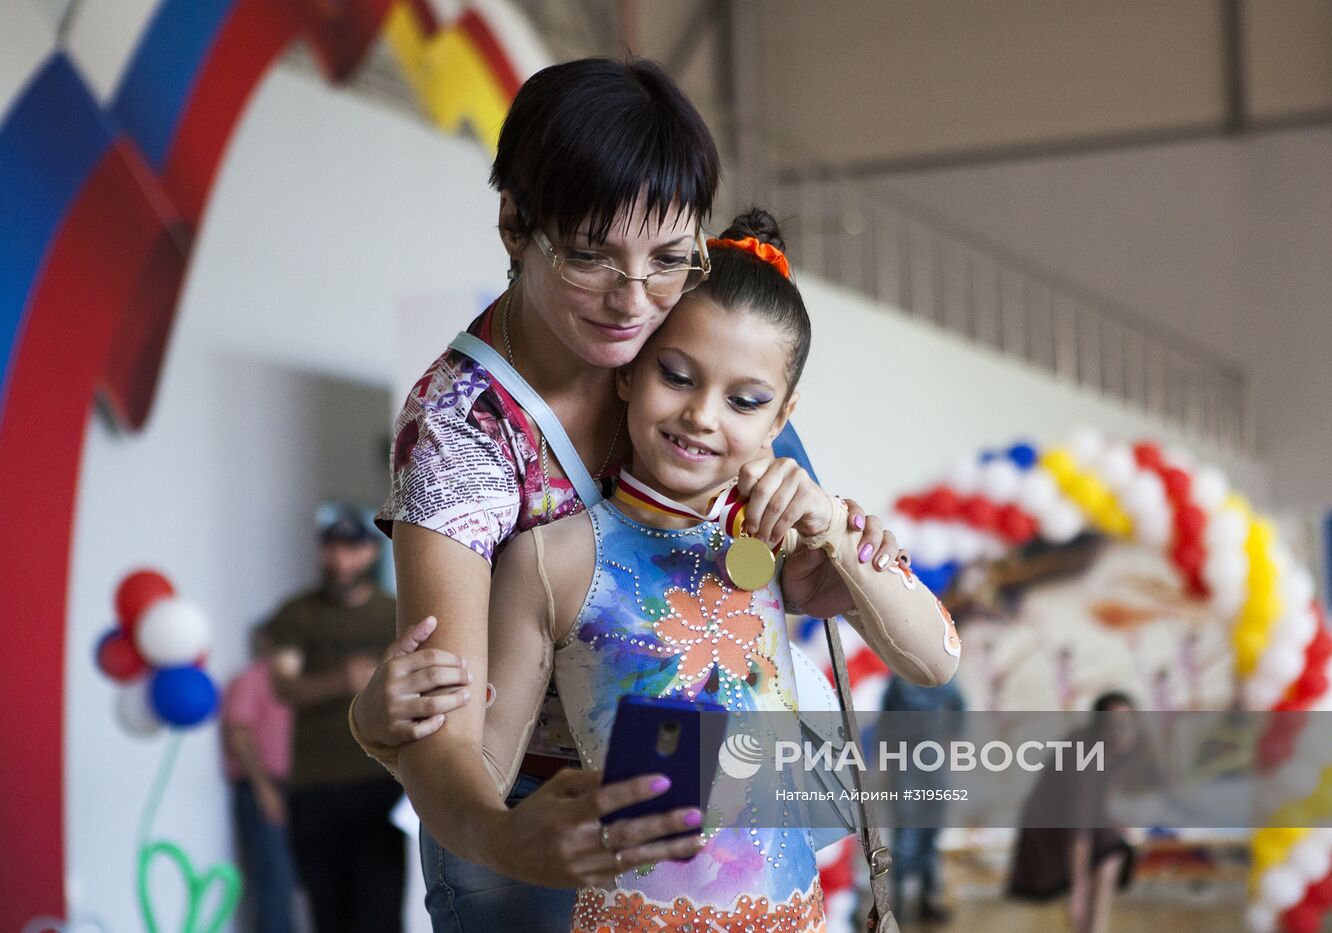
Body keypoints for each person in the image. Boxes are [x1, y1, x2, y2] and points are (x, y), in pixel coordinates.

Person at [347, 57, 902, 931]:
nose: (633, 299)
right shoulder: (460, 427)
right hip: (538, 815)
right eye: (591, 254)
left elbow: (804, 580)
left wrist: (850, 553)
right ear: (515, 225)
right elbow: (446, 726)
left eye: (669, 259)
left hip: (715, 822)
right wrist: (496, 834)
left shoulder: (696, 342)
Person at [266, 508, 402, 933]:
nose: (341, 559)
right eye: (332, 547)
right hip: (314, 787)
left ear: (370, 553)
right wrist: (342, 678)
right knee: (328, 915)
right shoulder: (296, 615)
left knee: (380, 914)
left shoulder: (395, 612)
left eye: (352, 548)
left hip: (381, 783)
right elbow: (284, 688)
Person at [1007, 691, 1141, 933]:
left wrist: (1110, 820)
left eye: (1126, 725)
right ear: (1098, 727)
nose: (1120, 733)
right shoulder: (1083, 758)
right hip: (1047, 825)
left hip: (1075, 823)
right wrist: (1077, 890)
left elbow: (1102, 796)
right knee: (1109, 854)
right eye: (1112, 726)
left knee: (1111, 851)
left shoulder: (1121, 752)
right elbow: (1079, 829)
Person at [221, 621, 296, 933]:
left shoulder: (291, 685)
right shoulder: (252, 680)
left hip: (288, 788)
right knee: (274, 878)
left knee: (286, 878)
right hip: (261, 789)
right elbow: (238, 733)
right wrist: (264, 789)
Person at [878, 673, 966, 925]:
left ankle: (926, 900)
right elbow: (886, 719)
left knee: (931, 832)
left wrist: (950, 740)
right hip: (904, 762)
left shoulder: (943, 679)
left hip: (932, 761)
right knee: (905, 835)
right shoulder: (898, 681)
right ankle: (898, 904)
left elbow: (959, 708)